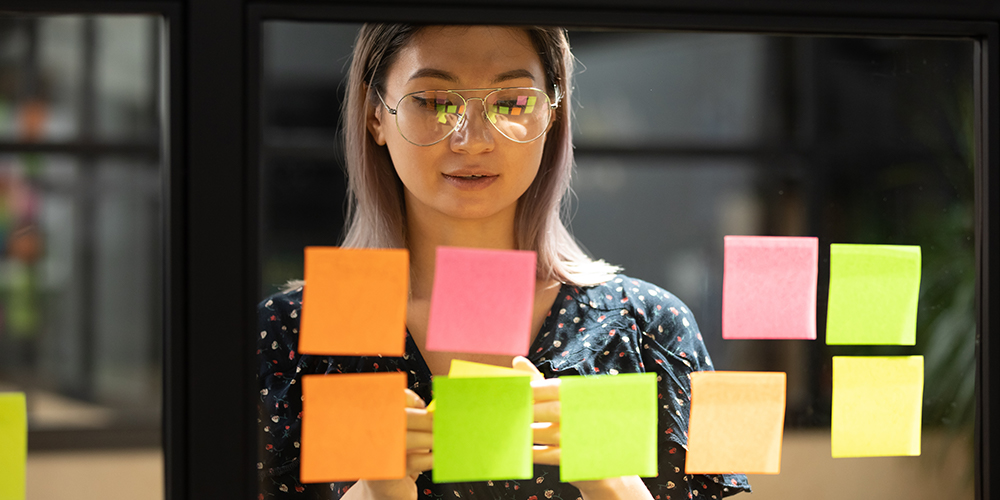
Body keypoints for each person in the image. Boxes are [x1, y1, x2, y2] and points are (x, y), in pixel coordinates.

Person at [258, 23, 750, 500]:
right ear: (375, 115)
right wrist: (374, 493)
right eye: (433, 102)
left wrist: (611, 480)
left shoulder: (650, 327)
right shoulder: (287, 333)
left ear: (553, 112)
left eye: (513, 101)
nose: (473, 139)